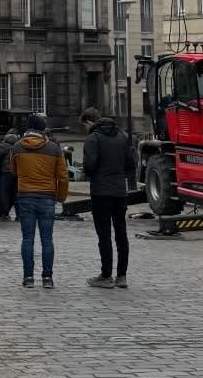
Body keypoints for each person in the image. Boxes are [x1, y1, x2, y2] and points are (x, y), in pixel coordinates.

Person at [81, 108, 137, 288]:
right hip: (120, 192)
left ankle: (106, 276)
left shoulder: (93, 138)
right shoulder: (123, 136)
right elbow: (131, 163)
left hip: (100, 192)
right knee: (121, 234)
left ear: (89, 122)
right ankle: (122, 276)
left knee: (104, 234)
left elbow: (89, 166)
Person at [11, 114, 68, 289]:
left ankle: (28, 277)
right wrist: (60, 196)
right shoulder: (54, 149)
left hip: (26, 195)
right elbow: (63, 177)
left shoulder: (17, 147)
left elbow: (13, 171)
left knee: (27, 238)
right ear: (42, 129)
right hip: (47, 197)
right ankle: (47, 278)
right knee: (47, 239)